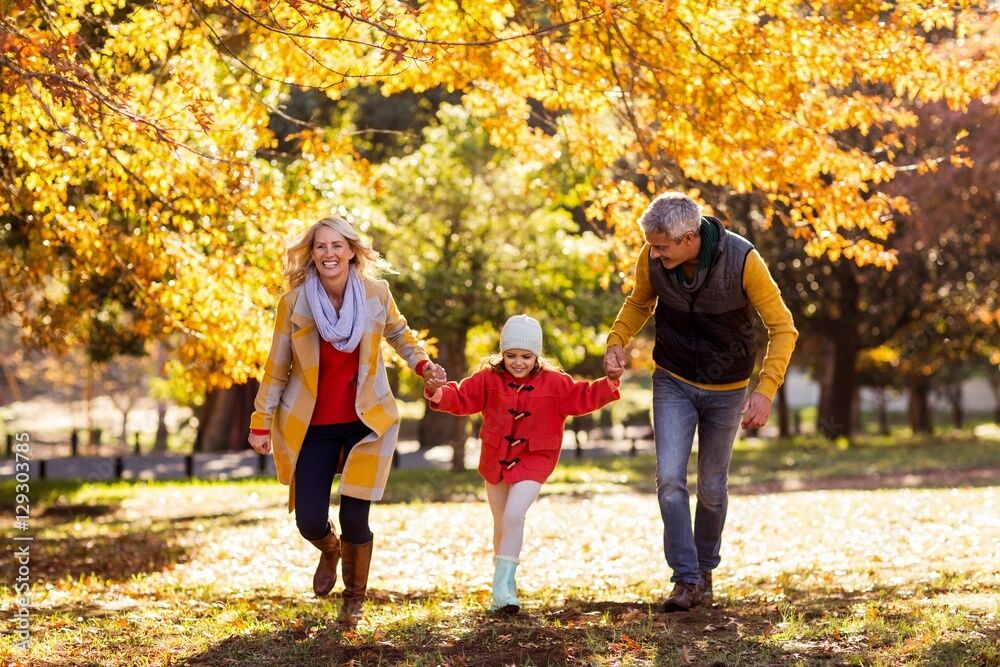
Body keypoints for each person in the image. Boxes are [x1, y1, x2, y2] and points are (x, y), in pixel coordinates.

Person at [247, 215, 446, 628]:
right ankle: (330, 549)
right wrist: (260, 421)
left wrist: (423, 364)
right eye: (321, 247)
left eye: (337, 245)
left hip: (367, 421)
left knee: (357, 517)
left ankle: (354, 598)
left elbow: (400, 335)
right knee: (308, 520)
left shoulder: (375, 292)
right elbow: (277, 367)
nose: (329, 253)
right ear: (312, 254)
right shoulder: (295, 303)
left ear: (352, 251)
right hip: (313, 425)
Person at [603, 192, 798, 612]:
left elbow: (783, 328)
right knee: (670, 480)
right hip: (672, 379)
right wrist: (617, 340)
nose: (654, 254)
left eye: (662, 246)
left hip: (728, 390)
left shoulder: (743, 260)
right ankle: (685, 579)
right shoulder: (652, 257)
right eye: (651, 245)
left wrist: (764, 391)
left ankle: (705, 569)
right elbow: (639, 302)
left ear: (690, 237)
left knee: (712, 487)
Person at [423, 314, 621, 614]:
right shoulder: (488, 379)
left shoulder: (554, 382)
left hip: (535, 458)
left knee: (515, 514)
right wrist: (437, 391)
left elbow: (584, 395)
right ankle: (504, 587)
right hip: (495, 458)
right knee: (501, 522)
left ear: (537, 355)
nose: (518, 362)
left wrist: (610, 382)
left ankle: (503, 589)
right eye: (511, 355)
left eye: (526, 356)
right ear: (502, 353)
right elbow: (462, 397)